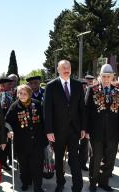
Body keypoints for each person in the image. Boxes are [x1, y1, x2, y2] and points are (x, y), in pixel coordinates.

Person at [44, 59, 86, 192]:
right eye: (63, 67)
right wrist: (49, 130)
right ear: (58, 70)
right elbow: (47, 110)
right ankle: (60, 183)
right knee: (59, 159)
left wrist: (83, 127)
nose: (66, 69)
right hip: (57, 131)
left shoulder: (78, 85)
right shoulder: (51, 86)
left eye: (68, 67)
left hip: (74, 130)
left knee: (74, 159)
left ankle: (77, 186)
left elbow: (82, 109)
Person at [85, 64, 119, 192]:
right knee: (96, 159)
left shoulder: (118, 91)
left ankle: (104, 182)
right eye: (104, 76)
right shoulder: (92, 89)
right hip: (96, 132)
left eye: (109, 76)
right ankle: (93, 183)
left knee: (110, 159)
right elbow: (86, 111)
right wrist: (86, 130)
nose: (106, 79)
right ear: (100, 76)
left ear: (113, 77)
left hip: (113, 132)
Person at [5, 85, 47, 192]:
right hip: (21, 142)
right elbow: (6, 122)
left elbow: (44, 121)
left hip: (37, 141)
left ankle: (38, 186)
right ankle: (25, 182)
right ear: (17, 94)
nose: (22, 96)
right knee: (24, 166)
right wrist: (9, 131)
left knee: (37, 165)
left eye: (25, 93)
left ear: (29, 94)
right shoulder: (14, 106)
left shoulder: (37, 104)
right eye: (20, 93)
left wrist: (46, 137)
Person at [0, 77, 14, 171]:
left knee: (7, 145)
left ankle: (4, 162)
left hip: (8, 125)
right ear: (2, 85)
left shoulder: (12, 95)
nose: (11, 86)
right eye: (9, 84)